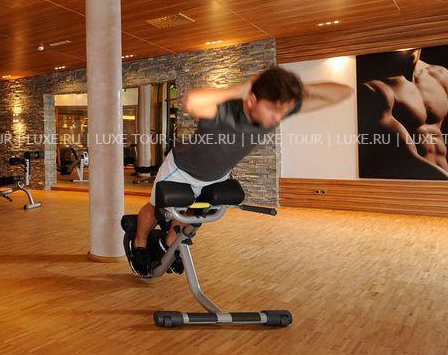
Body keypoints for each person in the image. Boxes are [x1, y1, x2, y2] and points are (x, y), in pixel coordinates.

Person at [130, 66, 352, 275]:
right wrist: (242, 88)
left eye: (282, 112)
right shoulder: (225, 110)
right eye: (273, 110)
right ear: (252, 99)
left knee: (193, 213)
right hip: (181, 170)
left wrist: (298, 91)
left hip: (217, 177)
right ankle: (139, 243)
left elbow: (342, 92)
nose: (277, 118)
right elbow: (192, 100)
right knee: (155, 208)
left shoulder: (275, 110)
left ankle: (168, 244)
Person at [358, 48, 448, 180]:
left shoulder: (440, 75)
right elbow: (407, 156)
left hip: (442, 180)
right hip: (406, 182)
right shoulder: (375, 88)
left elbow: (436, 134)